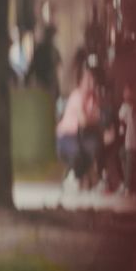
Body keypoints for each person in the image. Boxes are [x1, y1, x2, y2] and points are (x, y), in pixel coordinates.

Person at [56, 51, 101, 189]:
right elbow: (84, 121)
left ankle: (85, 179)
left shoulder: (93, 99)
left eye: (92, 79)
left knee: (94, 147)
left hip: (82, 136)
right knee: (79, 153)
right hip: (67, 136)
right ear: (81, 81)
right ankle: (73, 177)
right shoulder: (77, 96)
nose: (91, 83)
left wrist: (92, 119)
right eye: (88, 80)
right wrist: (92, 119)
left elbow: (97, 118)